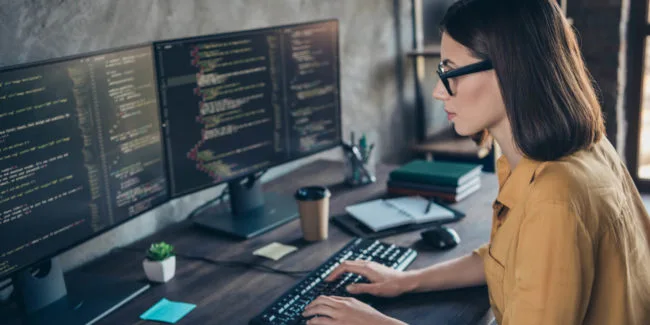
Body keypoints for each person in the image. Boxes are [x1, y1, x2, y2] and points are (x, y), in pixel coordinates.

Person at [302, 0, 650, 324]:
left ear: (511, 70)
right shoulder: (583, 147)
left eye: (452, 72)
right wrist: (405, 281)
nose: (440, 90)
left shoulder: (554, 196)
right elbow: (507, 259)